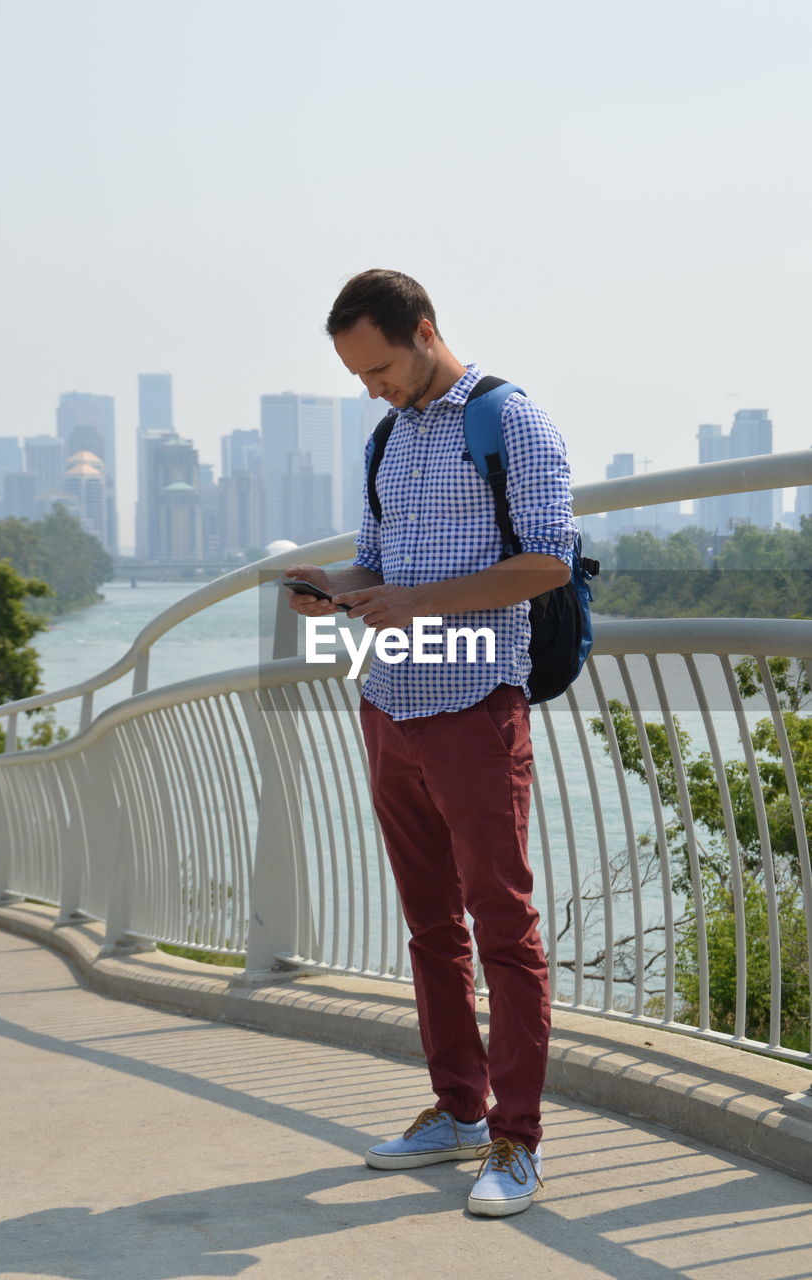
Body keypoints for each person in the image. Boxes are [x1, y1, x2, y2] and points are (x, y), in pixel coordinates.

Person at [285, 269, 575, 1217]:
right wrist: (338, 581)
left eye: (378, 367)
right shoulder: (387, 438)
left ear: (423, 331)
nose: (370, 386)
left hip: (474, 705)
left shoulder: (509, 421)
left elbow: (544, 564)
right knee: (429, 926)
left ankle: (516, 1140)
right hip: (390, 704)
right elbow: (383, 564)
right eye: (356, 374)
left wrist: (418, 601)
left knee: (502, 922)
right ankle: (457, 1109)